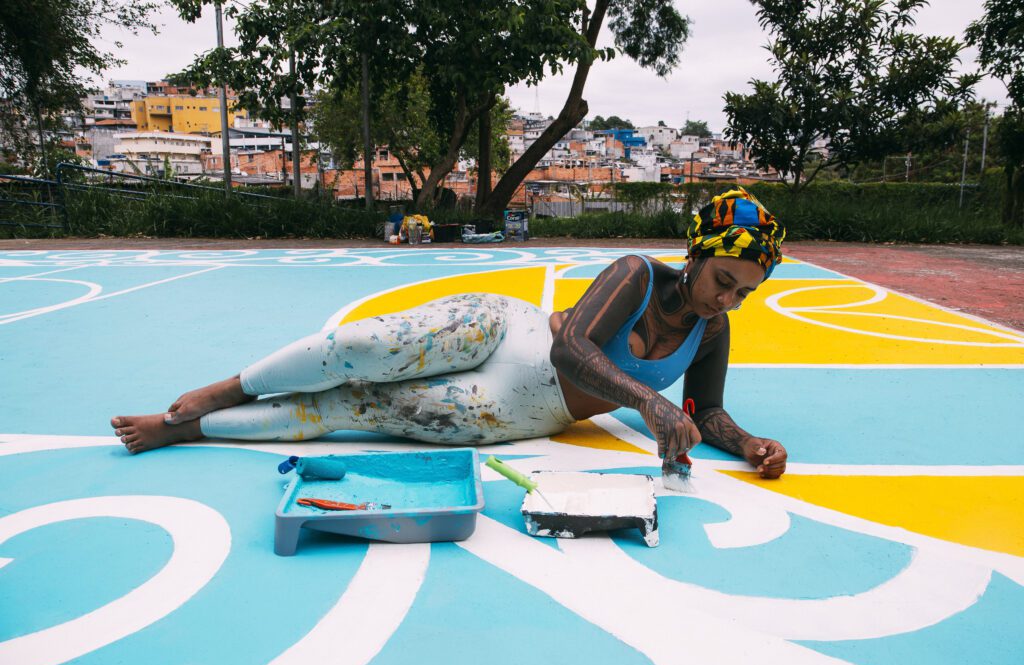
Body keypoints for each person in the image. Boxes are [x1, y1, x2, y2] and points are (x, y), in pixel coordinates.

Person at [111, 188, 789, 479]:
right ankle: (228, 388)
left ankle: (189, 430)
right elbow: (571, 347)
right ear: (696, 254)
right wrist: (647, 401)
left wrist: (748, 443)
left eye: (743, 293)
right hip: (508, 329)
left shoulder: (712, 331)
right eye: (723, 279)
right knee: (360, 349)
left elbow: (708, 410)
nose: (727, 299)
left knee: (352, 408)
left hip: (520, 410)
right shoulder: (635, 273)